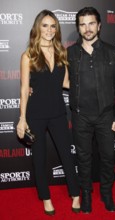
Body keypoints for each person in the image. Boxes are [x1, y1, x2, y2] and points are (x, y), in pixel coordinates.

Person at [16, 10, 80, 216]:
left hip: (58, 113)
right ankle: (46, 198)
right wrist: (22, 118)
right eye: (45, 25)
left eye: (53, 26)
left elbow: (66, 83)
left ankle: (75, 194)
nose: (49, 30)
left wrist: (90, 85)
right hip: (35, 114)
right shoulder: (28, 56)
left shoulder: (62, 51)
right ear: (37, 28)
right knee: (39, 158)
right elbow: (25, 89)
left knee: (67, 156)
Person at [67, 7, 115, 213]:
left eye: (91, 23)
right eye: (83, 24)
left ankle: (107, 194)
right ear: (78, 28)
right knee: (83, 159)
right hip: (81, 115)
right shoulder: (70, 53)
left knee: (108, 157)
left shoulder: (112, 52)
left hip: (106, 115)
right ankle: (86, 196)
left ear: (99, 26)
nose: (87, 28)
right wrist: (33, 86)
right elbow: (56, 77)